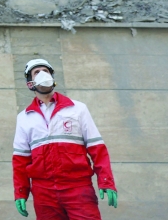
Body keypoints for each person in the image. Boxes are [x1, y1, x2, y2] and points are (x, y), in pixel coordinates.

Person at [13, 58, 118, 219]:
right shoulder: (24, 117)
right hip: (44, 192)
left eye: (46, 71)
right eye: (37, 72)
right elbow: (20, 161)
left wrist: (106, 181)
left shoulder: (77, 109)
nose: (42, 74)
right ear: (30, 82)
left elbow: (98, 149)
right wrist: (21, 192)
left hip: (78, 187)